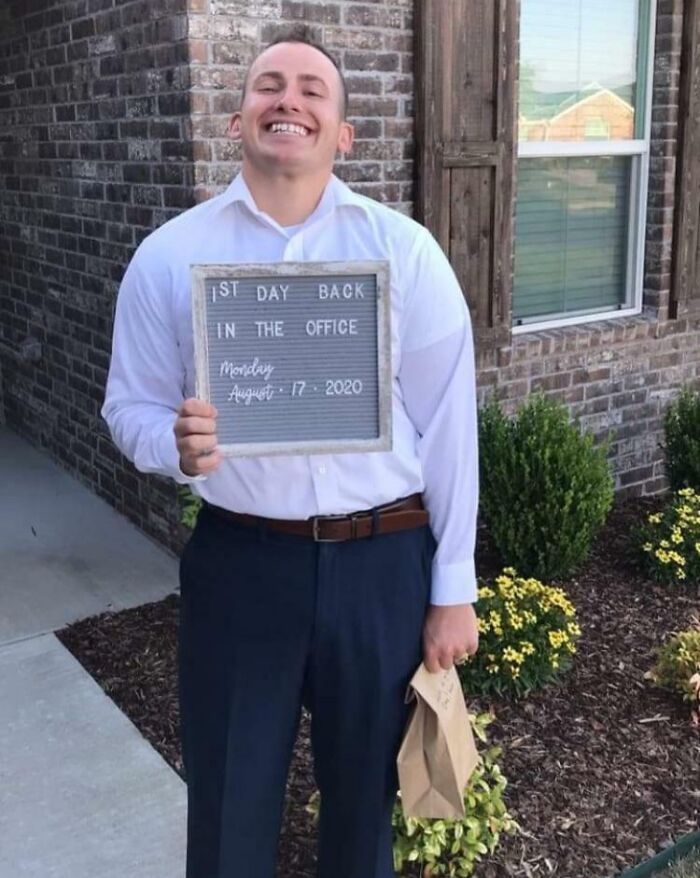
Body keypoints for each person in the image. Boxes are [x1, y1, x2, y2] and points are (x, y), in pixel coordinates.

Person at [102, 33, 480, 878]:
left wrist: (453, 587)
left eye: (314, 89)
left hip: (383, 563)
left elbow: (452, 425)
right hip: (243, 563)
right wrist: (172, 444)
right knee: (230, 810)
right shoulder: (170, 256)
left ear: (343, 133)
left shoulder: (404, 253)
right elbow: (127, 405)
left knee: (363, 820)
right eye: (270, 84)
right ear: (238, 118)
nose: (290, 100)